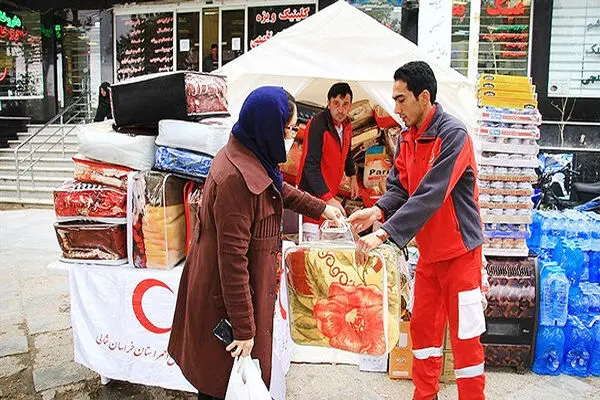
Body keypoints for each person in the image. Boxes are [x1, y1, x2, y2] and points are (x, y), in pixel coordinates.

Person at [168, 86, 343, 400]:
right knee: (221, 384)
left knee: (231, 383)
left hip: (237, 296)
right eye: (288, 129)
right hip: (222, 303)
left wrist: (321, 207)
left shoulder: (250, 153)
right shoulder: (235, 179)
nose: (291, 137)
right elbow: (232, 263)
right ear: (269, 128)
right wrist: (244, 329)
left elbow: (276, 190)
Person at [348, 61, 486, 400]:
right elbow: (400, 188)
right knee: (423, 336)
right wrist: (376, 210)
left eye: (401, 99)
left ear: (424, 97)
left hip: (462, 256)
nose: (395, 108)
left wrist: (384, 234)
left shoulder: (453, 136)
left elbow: (431, 194)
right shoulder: (407, 138)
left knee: (466, 343)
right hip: (429, 257)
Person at [296, 82, 359, 239]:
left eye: (345, 105)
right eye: (336, 104)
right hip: (311, 195)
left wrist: (352, 176)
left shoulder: (347, 125)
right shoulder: (317, 124)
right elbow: (310, 166)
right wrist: (329, 199)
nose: (341, 109)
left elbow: (347, 151)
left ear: (350, 106)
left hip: (329, 192)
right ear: (329, 103)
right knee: (312, 245)